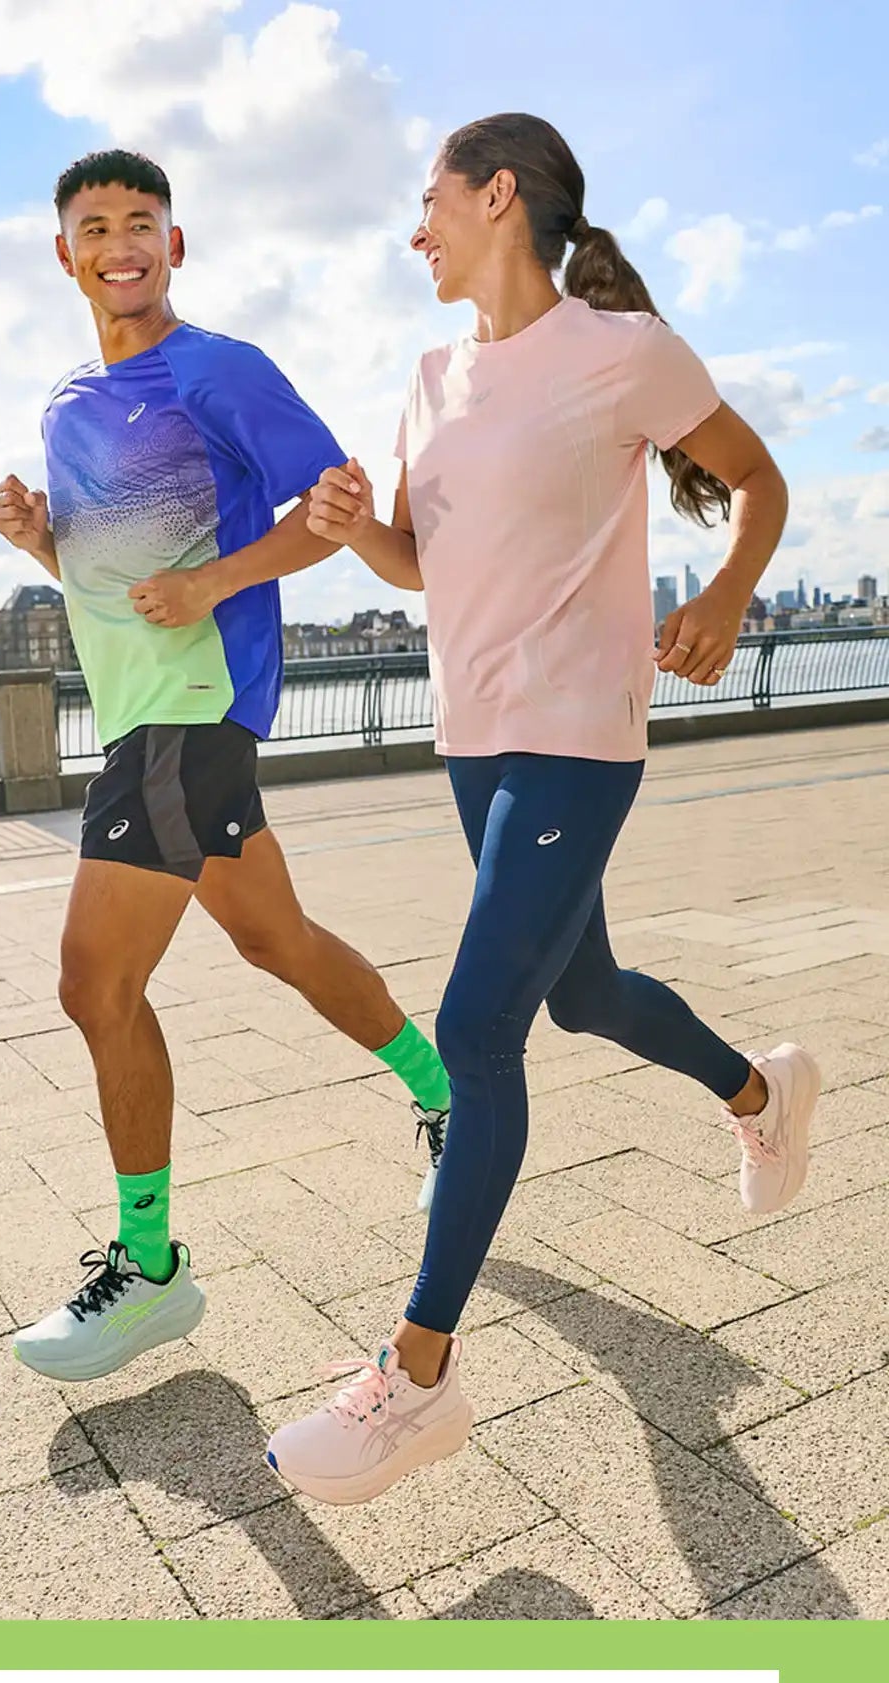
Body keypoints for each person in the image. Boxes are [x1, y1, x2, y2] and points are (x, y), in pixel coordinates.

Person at [265, 112, 821, 1505]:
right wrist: (352, 528)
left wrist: (727, 594)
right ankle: (764, 1093)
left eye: (431, 201)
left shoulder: (623, 352)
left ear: (498, 195)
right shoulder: (428, 376)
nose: (416, 230)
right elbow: (420, 563)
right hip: (475, 737)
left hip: (580, 732)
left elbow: (758, 479)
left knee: (476, 1031)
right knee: (584, 995)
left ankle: (418, 1379)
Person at [0, 149, 450, 1384]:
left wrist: (216, 583)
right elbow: (111, 581)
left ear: (174, 244)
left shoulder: (220, 370)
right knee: (275, 941)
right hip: (141, 712)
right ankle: (449, 1095)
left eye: (142, 221)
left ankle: (150, 1270)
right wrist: (43, 545)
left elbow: (334, 506)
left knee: (96, 985)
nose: (121, 243)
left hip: (193, 712)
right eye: (97, 226)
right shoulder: (65, 402)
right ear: (67, 255)